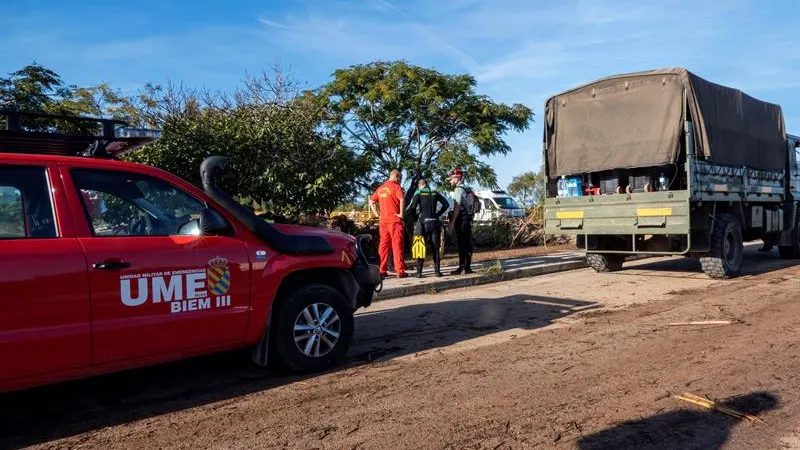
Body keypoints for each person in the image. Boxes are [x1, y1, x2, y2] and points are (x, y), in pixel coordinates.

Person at [406, 178, 449, 278]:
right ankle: (437, 272)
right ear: (427, 184)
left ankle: (419, 273)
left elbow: (412, 207)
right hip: (434, 223)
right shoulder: (434, 192)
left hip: (423, 223)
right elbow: (446, 204)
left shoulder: (419, 192)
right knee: (435, 248)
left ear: (420, 185)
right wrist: (437, 214)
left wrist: (416, 217)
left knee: (420, 247)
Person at [369, 170, 408, 278]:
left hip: (383, 222)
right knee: (397, 246)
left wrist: (377, 214)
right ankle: (400, 271)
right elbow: (401, 199)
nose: (400, 180)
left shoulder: (381, 188)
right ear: (395, 176)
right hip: (395, 221)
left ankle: (381, 270)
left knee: (383, 246)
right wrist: (401, 214)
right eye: (399, 178)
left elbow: (371, 202)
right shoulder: (396, 187)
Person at [447, 167, 474, 275]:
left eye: (451, 178)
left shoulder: (458, 189)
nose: (450, 181)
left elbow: (457, 206)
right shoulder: (468, 189)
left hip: (461, 220)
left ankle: (462, 268)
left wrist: (452, 221)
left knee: (462, 244)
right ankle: (467, 267)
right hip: (468, 219)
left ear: (457, 178)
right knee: (467, 243)